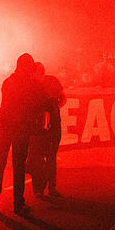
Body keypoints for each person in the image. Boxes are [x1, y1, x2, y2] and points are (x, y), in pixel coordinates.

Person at [0, 53, 43, 216]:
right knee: (17, 167)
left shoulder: (8, 82)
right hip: (19, 130)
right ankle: (18, 204)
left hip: (5, 128)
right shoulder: (29, 85)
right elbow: (34, 106)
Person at [29, 62, 65, 199]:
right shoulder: (31, 85)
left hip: (52, 124)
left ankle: (49, 187)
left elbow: (63, 98)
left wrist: (53, 112)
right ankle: (42, 188)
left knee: (49, 156)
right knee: (40, 157)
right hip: (38, 126)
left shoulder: (52, 81)